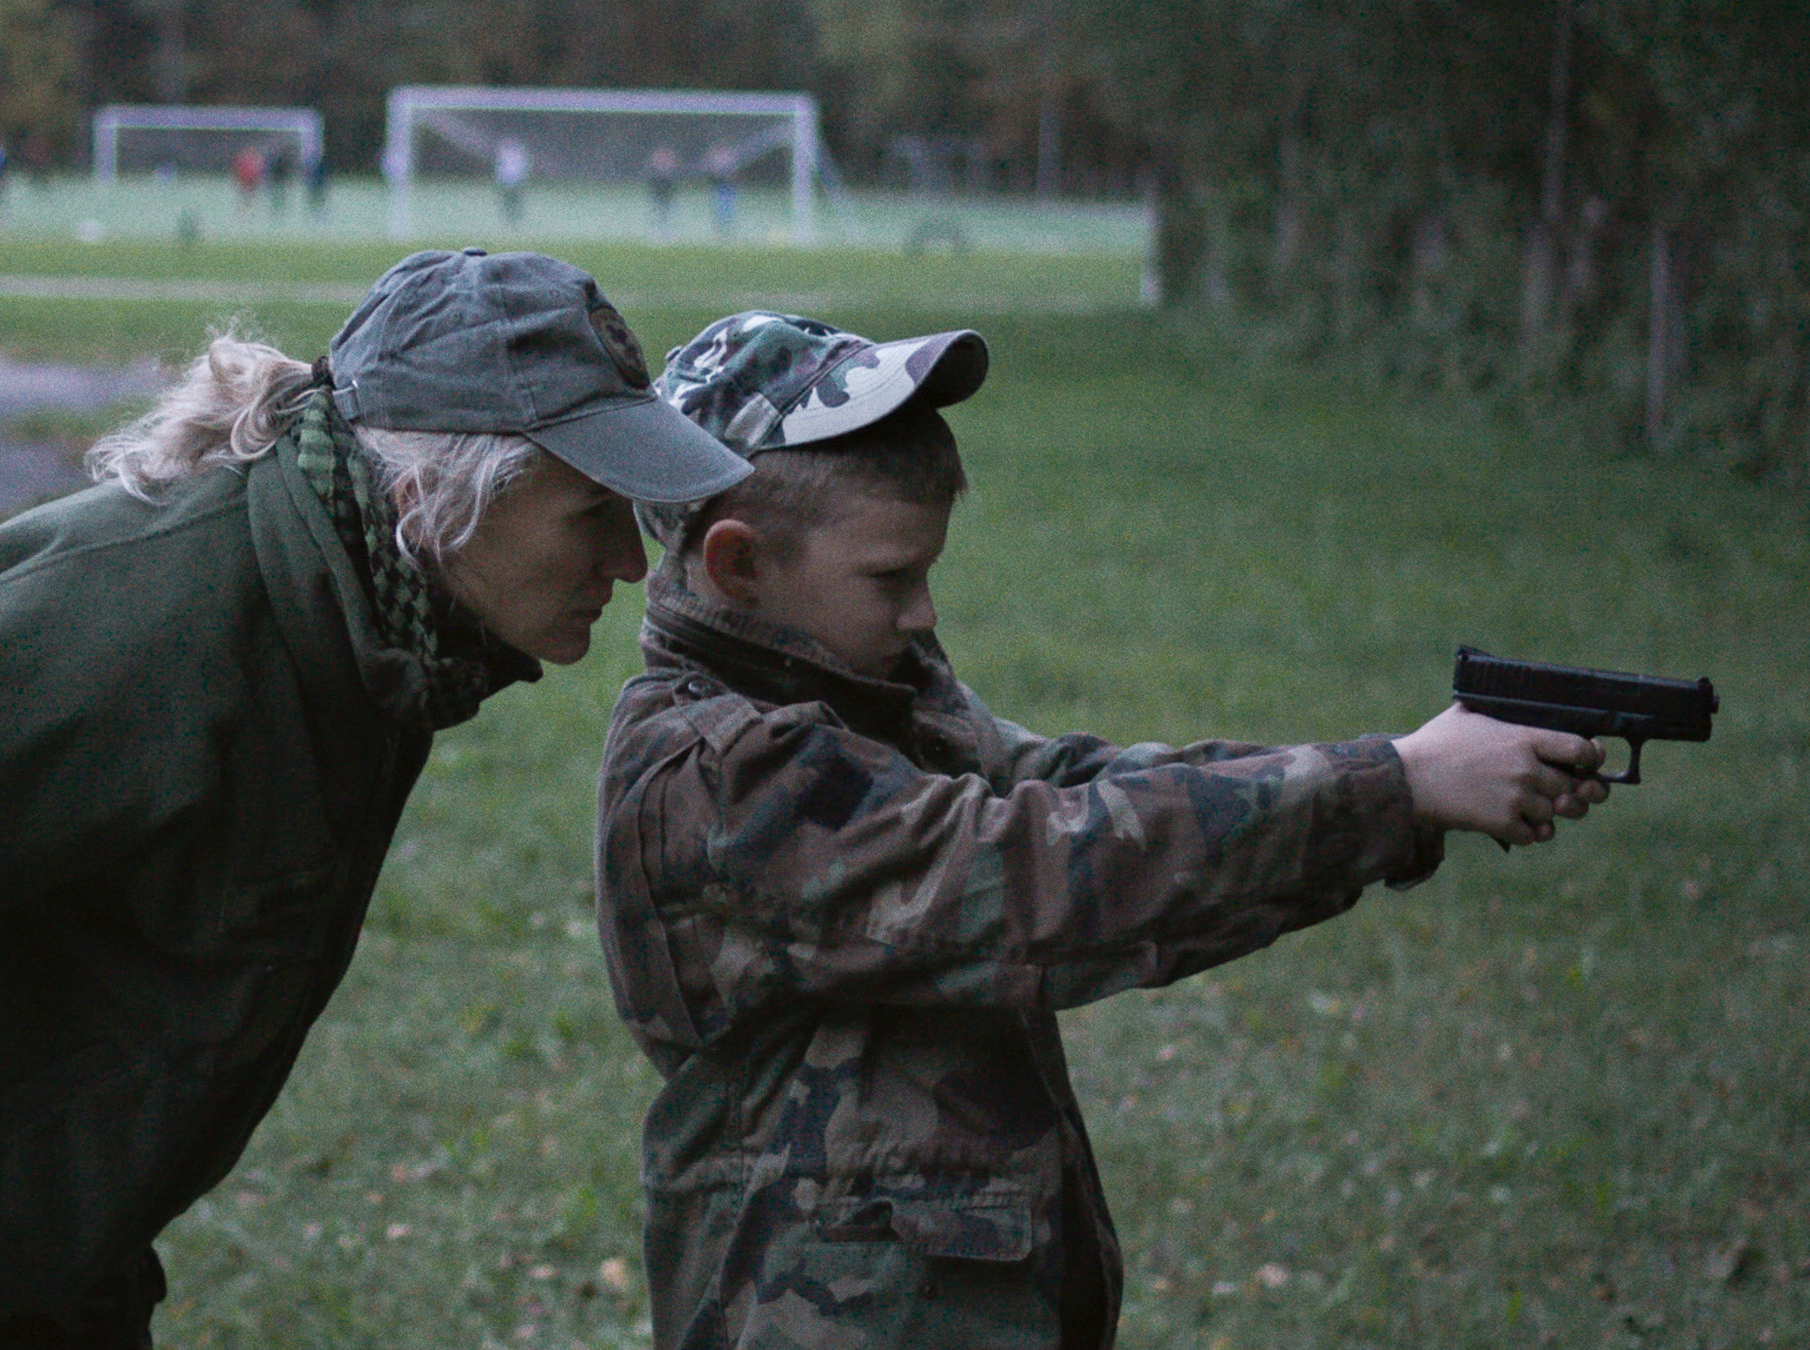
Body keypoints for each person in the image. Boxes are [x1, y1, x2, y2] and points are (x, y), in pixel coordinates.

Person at [0, 248, 749, 1348]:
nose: (627, 562)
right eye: (587, 513)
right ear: (433, 494)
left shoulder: (384, 624)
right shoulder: (154, 631)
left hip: (16, 1218)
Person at [593, 311, 1611, 1349]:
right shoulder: (719, 779)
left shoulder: (860, 689)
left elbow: (1072, 786)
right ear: (737, 566)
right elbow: (1042, 875)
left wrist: (1401, 778)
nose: (922, 613)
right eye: (890, 578)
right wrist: (1388, 787)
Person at [495, 137, 529, 226]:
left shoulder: (515, 154)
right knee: (510, 199)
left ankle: (513, 215)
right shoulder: (510, 154)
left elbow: (521, 168)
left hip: (512, 181)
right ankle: (511, 215)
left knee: (513, 199)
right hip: (510, 180)